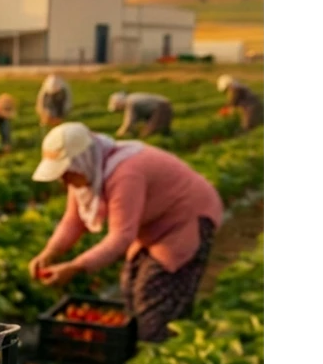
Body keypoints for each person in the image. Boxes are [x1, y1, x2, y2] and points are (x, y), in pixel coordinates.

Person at [28, 122, 223, 343]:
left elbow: (121, 237)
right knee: (130, 286)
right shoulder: (90, 170)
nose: (64, 181)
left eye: (66, 172)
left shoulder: (125, 173)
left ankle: (160, 357)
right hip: (154, 223)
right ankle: (139, 352)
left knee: (154, 294)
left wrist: (76, 267)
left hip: (187, 219)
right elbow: (73, 221)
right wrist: (49, 254)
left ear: (81, 161)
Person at [108, 91, 173, 138]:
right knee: (159, 132)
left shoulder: (130, 102)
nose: (120, 111)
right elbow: (135, 120)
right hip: (164, 105)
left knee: (147, 135)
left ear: (120, 103)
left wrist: (119, 135)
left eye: (118, 108)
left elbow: (129, 122)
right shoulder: (133, 98)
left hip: (161, 107)